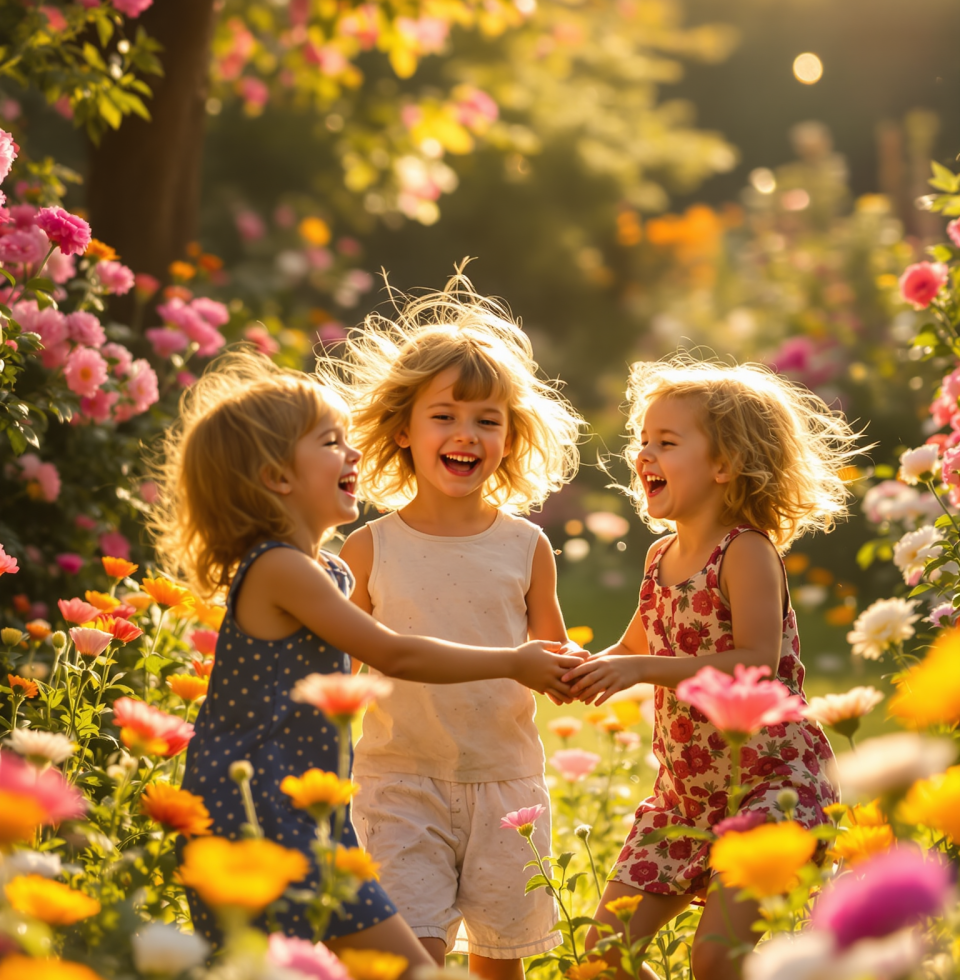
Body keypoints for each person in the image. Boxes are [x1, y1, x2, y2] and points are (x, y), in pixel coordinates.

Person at [147, 349, 580, 972]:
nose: (351, 454)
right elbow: (391, 651)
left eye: (348, 440)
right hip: (260, 801)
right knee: (287, 961)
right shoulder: (284, 568)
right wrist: (514, 661)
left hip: (303, 798)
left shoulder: (322, 566)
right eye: (331, 442)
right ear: (277, 477)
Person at [560, 355, 859, 980]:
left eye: (666, 442)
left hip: (769, 788)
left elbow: (757, 661)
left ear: (724, 465)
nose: (644, 454)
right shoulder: (659, 556)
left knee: (718, 959)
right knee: (601, 958)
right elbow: (632, 646)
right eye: (642, 440)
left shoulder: (745, 551)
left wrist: (642, 668)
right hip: (684, 798)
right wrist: (577, 667)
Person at [321, 272, 584, 980]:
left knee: (501, 967)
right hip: (398, 784)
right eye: (446, 416)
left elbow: (551, 650)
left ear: (510, 437)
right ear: (403, 429)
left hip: (505, 784)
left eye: (487, 421)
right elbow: (339, 673)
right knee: (408, 962)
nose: (466, 435)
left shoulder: (527, 546)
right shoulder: (369, 548)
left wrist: (584, 667)